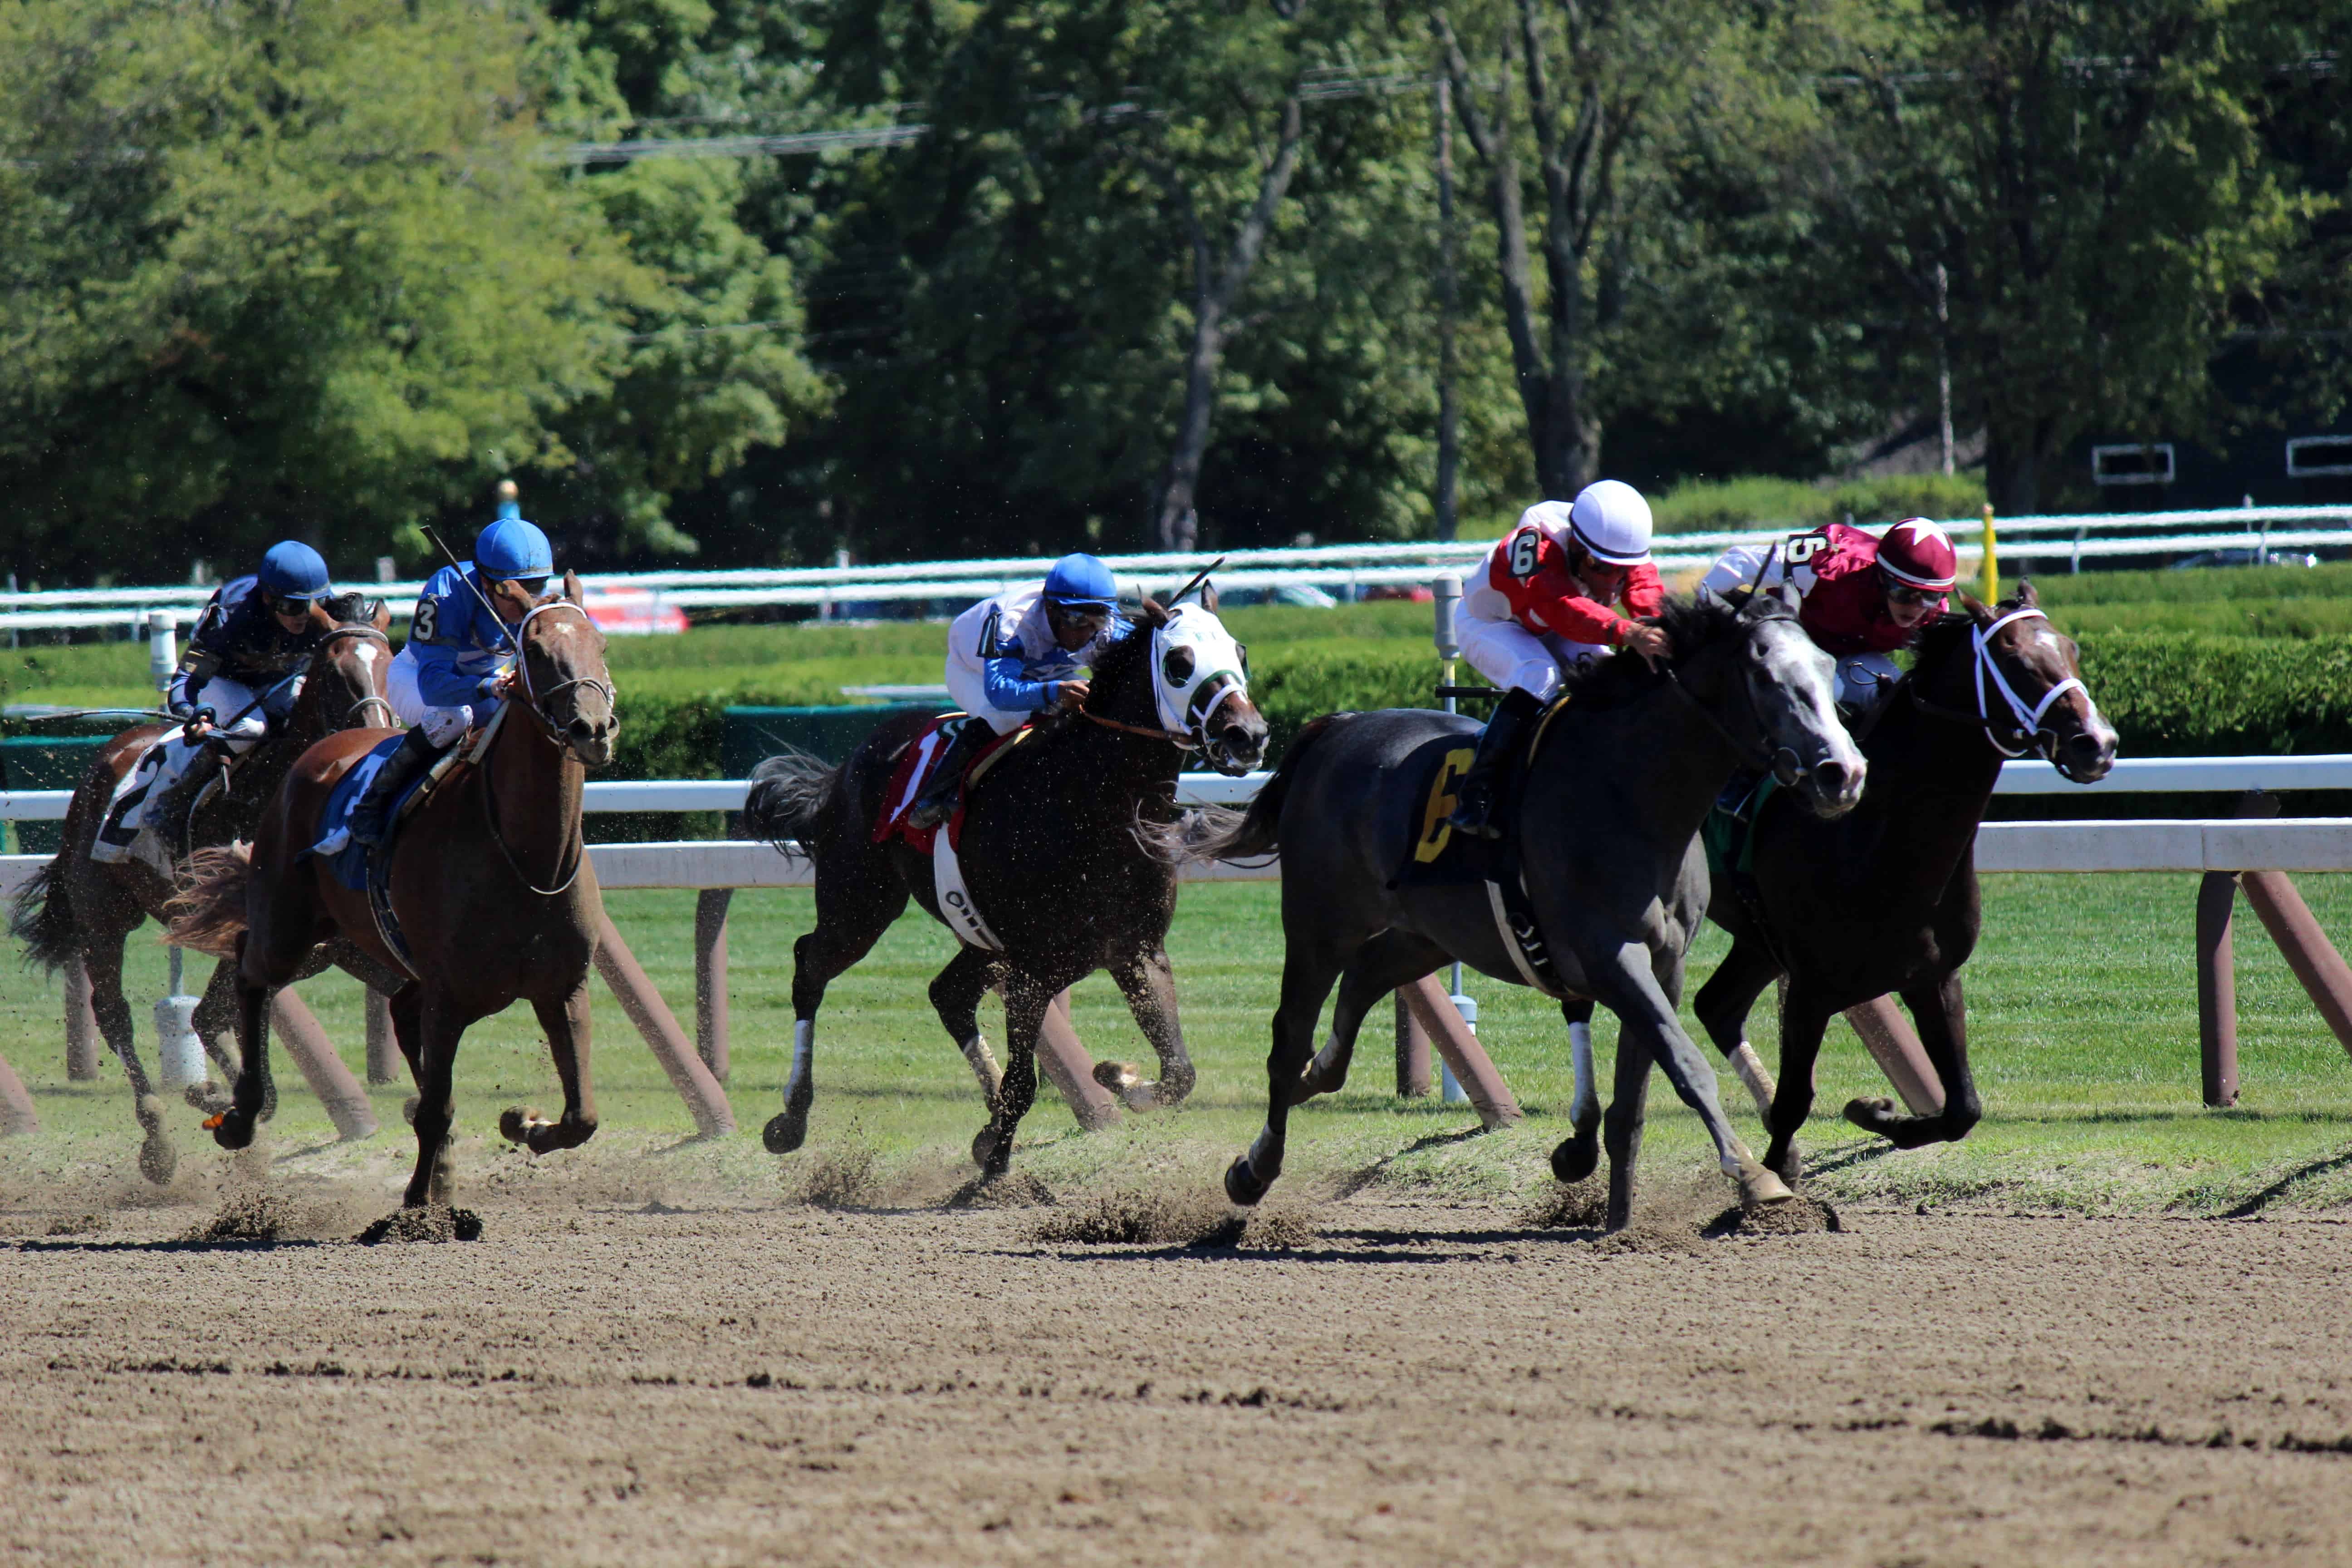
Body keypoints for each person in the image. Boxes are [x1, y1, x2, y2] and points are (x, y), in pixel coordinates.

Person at [326, 482, 553, 853]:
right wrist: (489, 688)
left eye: (538, 586)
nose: (528, 600)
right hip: (417, 680)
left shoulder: (538, 601)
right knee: (455, 717)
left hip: (486, 686)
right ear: (486, 582)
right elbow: (434, 686)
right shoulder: (447, 591)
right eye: (516, 590)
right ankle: (372, 804)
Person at [1446, 481, 1668, 841]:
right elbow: (1560, 606)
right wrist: (1627, 632)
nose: (1612, 585)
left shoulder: (1617, 546)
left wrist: (1663, 631)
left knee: (1607, 673)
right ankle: (1478, 793)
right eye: (1600, 567)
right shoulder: (1536, 542)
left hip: (1552, 622)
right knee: (1541, 675)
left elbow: (1647, 595)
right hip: (1489, 623)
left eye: (1621, 571)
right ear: (1577, 545)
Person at [93, 540, 338, 867]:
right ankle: (173, 807)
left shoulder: (327, 612)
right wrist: (192, 714)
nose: (304, 618)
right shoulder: (232, 615)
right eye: (292, 608)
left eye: (314, 605)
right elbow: (185, 682)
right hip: (226, 682)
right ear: (267, 598)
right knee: (251, 727)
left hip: (280, 681)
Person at [905, 552, 1124, 830]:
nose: (1088, 634)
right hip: (974, 671)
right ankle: (933, 797)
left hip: (1049, 673)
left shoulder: (1102, 623)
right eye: (1078, 620)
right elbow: (999, 691)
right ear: (1051, 610)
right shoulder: (1011, 621)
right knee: (1007, 716)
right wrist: (1055, 692)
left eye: (1099, 622)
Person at [1697, 514, 1960, 714]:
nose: (1915, 608)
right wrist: (1703, 628)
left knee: (1900, 700)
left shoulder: (1934, 615)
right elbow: (1738, 563)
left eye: (1929, 597)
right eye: (1904, 594)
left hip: (1846, 657)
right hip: (1786, 644)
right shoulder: (1829, 564)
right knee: (1829, 689)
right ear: (1881, 576)